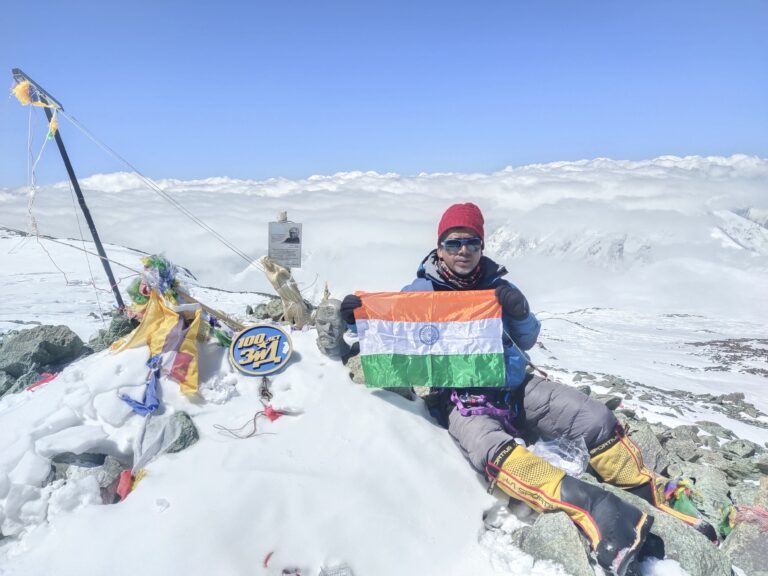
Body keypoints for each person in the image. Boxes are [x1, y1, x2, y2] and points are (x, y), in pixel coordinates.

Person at [341, 203, 715, 576]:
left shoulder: (498, 287)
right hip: (460, 400)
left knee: (595, 417)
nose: (463, 251)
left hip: (515, 387)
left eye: (472, 242)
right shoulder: (420, 293)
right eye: (453, 243)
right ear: (439, 247)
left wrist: (518, 311)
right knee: (493, 450)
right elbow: (392, 335)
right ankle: (593, 506)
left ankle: (648, 489)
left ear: (481, 246)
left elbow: (528, 338)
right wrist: (358, 318)